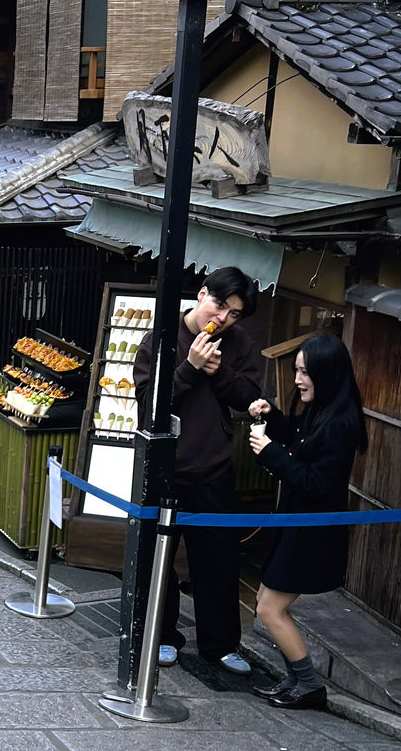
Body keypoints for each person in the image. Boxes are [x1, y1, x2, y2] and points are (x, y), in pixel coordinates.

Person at [133, 265, 262, 674]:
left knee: (219, 559)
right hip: (166, 468)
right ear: (202, 294)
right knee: (160, 559)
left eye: (234, 313)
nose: (222, 318)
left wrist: (219, 372)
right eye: (219, 305)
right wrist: (189, 367)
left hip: (214, 466)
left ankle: (220, 644)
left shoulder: (238, 342)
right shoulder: (160, 338)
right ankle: (162, 636)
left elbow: (248, 396)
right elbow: (149, 407)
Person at [247, 334, 367, 710]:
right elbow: (298, 436)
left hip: (312, 532)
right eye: (297, 370)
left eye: (305, 372)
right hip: (297, 524)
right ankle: (297, 681)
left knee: (269, 609)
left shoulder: (341, 423)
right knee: (265, 602)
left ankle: (310, 686)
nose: (297, 379)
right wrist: (271, 415)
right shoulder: (323, 409)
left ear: (326, 373)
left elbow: (316, 483)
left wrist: (270, 454)